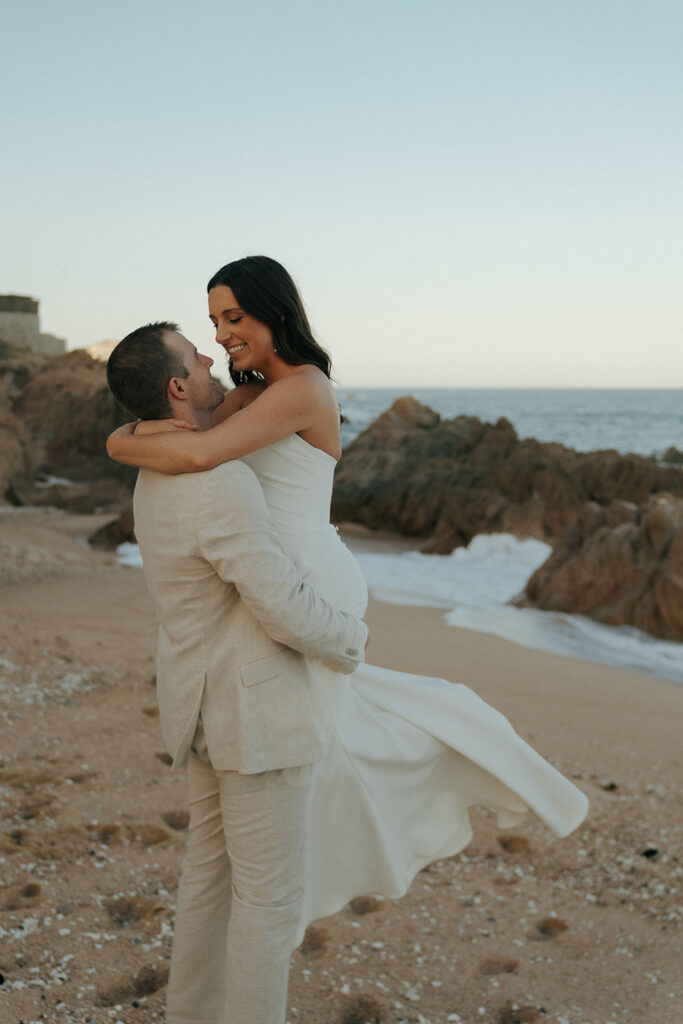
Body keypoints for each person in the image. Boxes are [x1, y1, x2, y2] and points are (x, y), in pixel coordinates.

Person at [107, 258, 589, 1024]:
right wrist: (126, 438)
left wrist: (120, 443)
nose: (222, 336)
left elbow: (191, 451)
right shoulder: (244, 395)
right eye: (212, 326)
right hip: (269, 615)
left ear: (273, 313)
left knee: (360, 749)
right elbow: (185, 441)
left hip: (294, 600)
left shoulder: (303, 388)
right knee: (291, 819)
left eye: (234, 318)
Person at [106, 321, 368, 1024]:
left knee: (208, 881)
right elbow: (279, 603)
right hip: (255, 719)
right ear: (178, 386)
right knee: (268, 902)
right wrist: (349, 640)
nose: (209, 354)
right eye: (195, 353)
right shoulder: (219, 481)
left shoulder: (154, 469)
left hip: (195, 706)